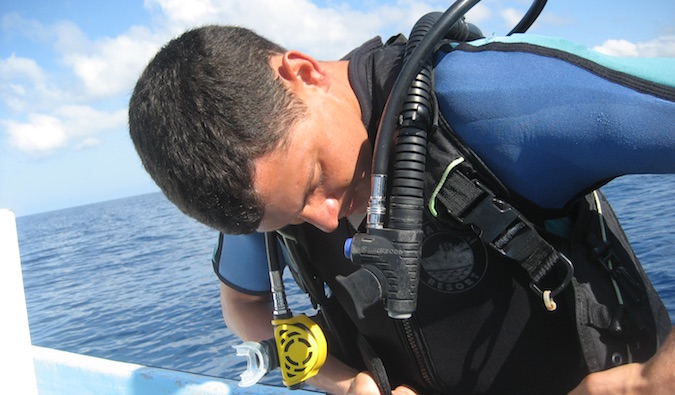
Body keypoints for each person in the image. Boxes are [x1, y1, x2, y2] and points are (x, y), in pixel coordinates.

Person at [128, 13, 675, 395]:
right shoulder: (262, 188)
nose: (325, 218)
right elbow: (245, 311)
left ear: (302, 74)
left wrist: (655, 382)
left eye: (317, 178)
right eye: (292, 217)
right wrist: (336, 379)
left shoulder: (497, 97)